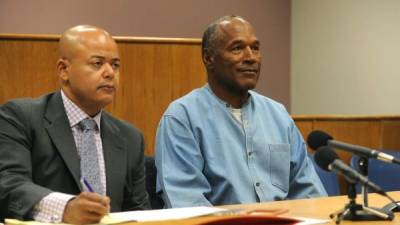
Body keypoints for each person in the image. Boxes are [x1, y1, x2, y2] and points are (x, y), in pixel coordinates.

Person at [155, 16, 327, 208]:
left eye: (255, 48)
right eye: (237, 48)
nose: (250, 57)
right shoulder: (181, 117)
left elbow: (309, 191)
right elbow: (187, 203)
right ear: (208, 58)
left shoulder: (278, 115)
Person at [0, 25, 150, 223]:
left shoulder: (130, 137)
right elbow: (9, 184)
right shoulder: (20, 117)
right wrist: (66, 209)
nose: (110, 73)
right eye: (97, 63)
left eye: (115, 65)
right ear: (64, 70)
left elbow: (138, 212)